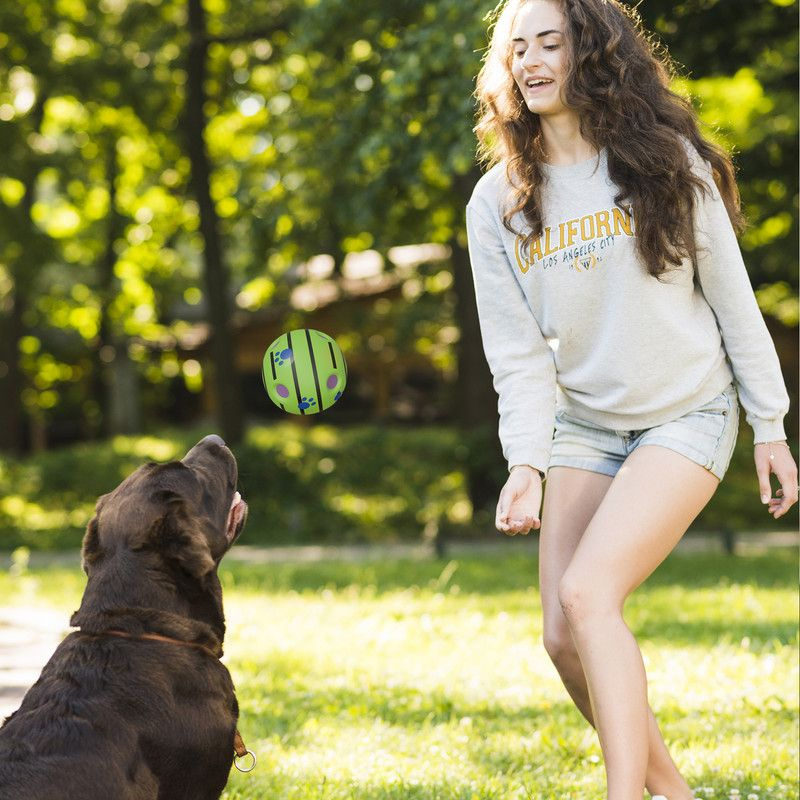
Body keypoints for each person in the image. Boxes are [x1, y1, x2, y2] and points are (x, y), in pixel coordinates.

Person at [464, 1, 798, 798]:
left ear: (594, 53)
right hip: (587, 424)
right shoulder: (498, 202)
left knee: (588, 594)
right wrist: (526, 463)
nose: (533, 61)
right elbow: (517, 359)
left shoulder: (665, 163)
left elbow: (733, 300)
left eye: (551, 43)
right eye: (519, 49)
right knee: (560, 635)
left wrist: (771, 427)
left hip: (689, 411)